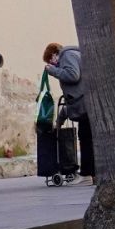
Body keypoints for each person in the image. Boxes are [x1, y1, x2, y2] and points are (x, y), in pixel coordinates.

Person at [44, 42, 94, 183]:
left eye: (51, 61)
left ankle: (87, 174)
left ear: (54, 54)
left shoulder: (66, 55)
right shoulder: (74, 54)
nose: (53, 64)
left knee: (85, 137)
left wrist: (53, 71)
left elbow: (73, 75)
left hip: (85, 103)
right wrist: (59, 122)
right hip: (85, 101)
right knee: (87, 136)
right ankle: (91, 172)